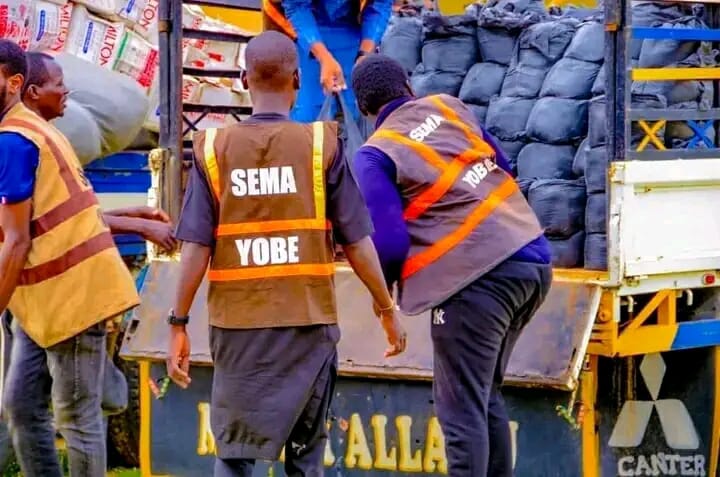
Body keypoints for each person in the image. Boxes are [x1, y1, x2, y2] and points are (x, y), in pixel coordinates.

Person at [166, 31, 406, 477]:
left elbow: (196, 246)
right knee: (306, 456)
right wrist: (385, 307)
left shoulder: (213, 149)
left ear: (243, 79)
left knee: (234, 454)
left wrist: (178, 323)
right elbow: (357, 241)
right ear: (298, 79)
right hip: (308, 324)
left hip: (237, 328)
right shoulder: (323, 145)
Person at [350, 54, 554, 477]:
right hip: (531, 258)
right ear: (408, 85)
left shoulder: (375, 154)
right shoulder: (449, 106)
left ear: (363, 109)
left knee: (460, 414)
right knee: (483, 397)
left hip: (477, 281)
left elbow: (388, 244)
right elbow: (504, 164)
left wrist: (383, 300)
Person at [0, 42, 174, 477]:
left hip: (72, 297)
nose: (67, 93)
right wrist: (132, 219)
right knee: (21, 407)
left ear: (18, 85)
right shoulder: (32, 132)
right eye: (60, 85)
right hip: (43, 300)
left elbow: (16, 240)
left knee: (76, 417)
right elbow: (61, 215)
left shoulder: (18, 141)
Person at [263, 0, 393, 122]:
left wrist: (364, 55)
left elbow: (380, 5)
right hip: (296, 28)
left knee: (355, 111)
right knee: (306, 114)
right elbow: (298, 7)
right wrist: (323, 57)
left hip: (350, 27)